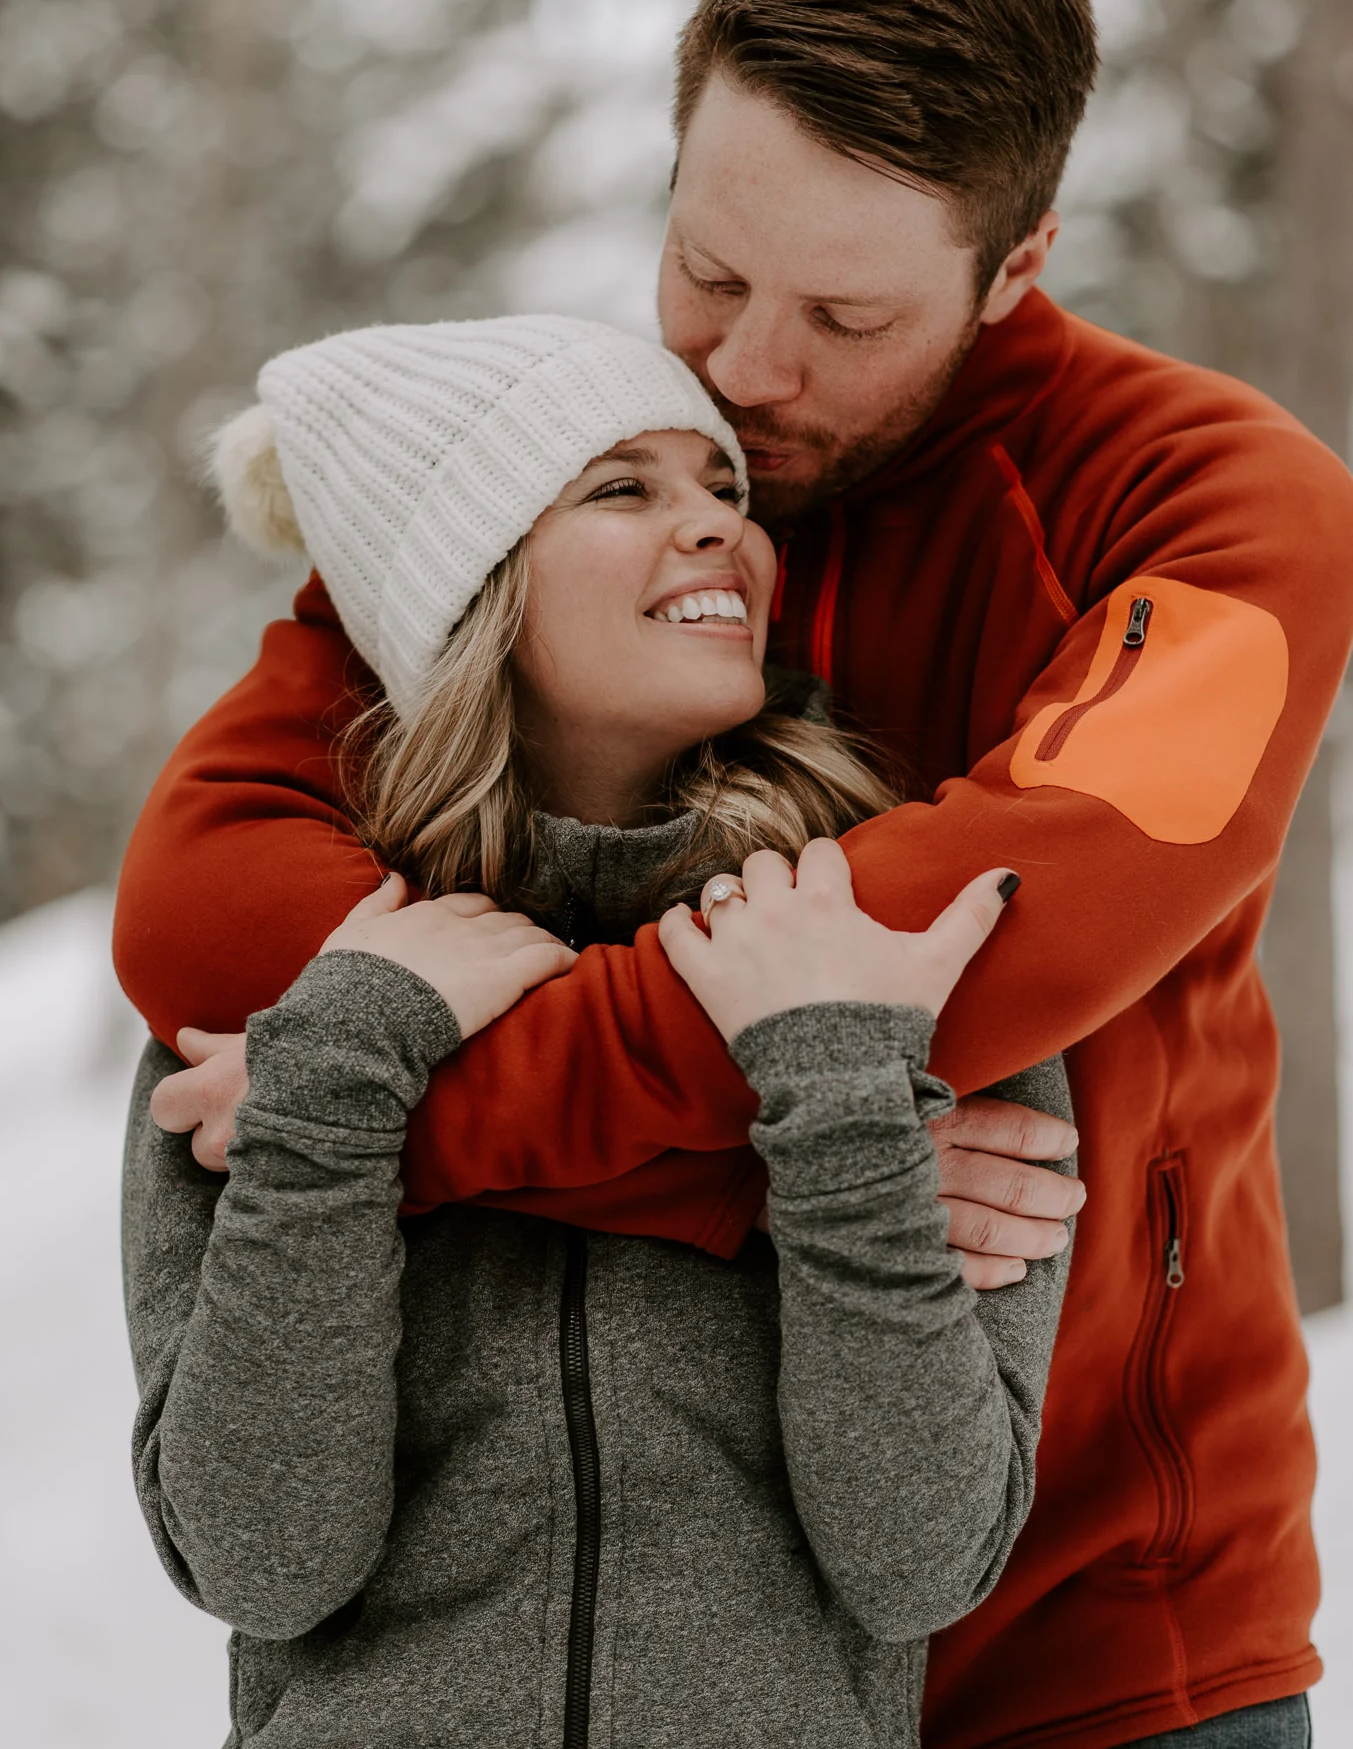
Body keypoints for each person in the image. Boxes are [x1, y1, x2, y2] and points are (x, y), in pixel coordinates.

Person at [113, 0, 1353, 1748]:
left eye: (846, 314)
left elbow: (969, 946)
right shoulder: (585, 470)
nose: (749, 376)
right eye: (708, 269)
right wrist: (800, 1163)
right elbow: (209, 899)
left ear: (1014, 263)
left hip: (1104, 1625)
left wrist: (417, 1119)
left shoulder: (1216, 509)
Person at [123, 314, 1074, 1748]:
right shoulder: (294, 1006)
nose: (719, 532)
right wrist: (340, 1087)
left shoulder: (887, 949)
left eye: (725, 490)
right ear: (470, 580)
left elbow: (920, 1561)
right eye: (622, 488)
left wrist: (835, 1107)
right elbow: (259, 1556)